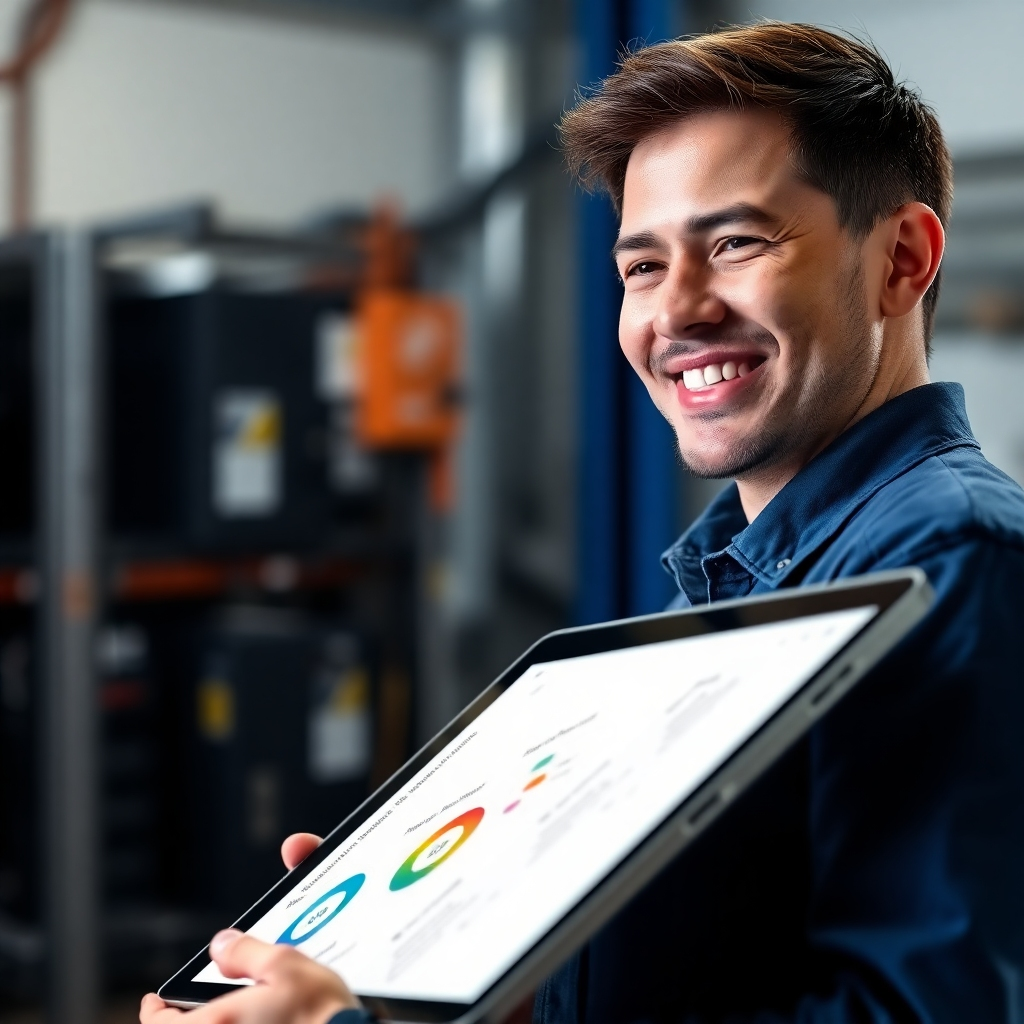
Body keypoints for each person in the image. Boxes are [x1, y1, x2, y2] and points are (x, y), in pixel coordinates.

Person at [142, 21, 1024, 1024]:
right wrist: (430, 975)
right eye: (641, 266)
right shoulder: (737, 576)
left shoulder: (952, 563)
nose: (675, 311)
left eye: (735, 243)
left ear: (902, 258)